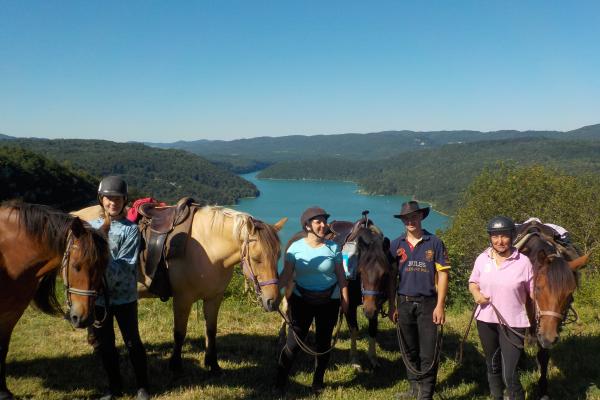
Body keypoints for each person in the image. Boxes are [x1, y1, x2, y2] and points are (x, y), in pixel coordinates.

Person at [276, 206, 349, 394]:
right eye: (318, 222)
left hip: (329, 301)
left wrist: (345, 300)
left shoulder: (334, 248)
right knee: (293, 343)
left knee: (323, 343)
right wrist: (274, 291)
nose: (323, 225)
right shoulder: (295, 248)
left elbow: (341, 277)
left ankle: (318, 381)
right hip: (301, 301)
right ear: (307, 225)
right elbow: (286, 274)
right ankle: (280, 380)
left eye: (324, 221)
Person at [89, 176, 150, 400]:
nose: (112, 202)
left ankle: (142, 385)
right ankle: (114, 387)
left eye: (117, 198)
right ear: (101, 200)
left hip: (124, 296)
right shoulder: (92, 229)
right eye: (108, 198)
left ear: (124, 201)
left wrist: (96, 269)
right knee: (105, 345)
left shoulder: (130, 230)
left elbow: (126, 265)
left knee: (132, 341)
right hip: (98, 299)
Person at [388, 201, 450, 400]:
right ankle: (413, 388)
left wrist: (440, 305)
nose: (410, 221)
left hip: (428, 303)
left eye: (414, 217)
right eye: (406, 218)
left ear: (421, 217)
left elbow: (443, 275)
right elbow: (391, 277)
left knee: (428, 351)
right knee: (409, 349)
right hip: (403, 302)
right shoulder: (396, 244)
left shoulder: (435, 242)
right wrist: (391, 305)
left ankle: (426, 394)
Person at [468, 216, 533, 400]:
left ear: (512, 236)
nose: (500, 241)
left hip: (513, 322)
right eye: (495, 236)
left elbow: (534, 293)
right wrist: (476, 294)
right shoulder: (482, 258)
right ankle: (496, 396)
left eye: (504, 236)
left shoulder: (523, 262)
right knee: (493, 365)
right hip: (485, 320)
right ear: (490, 237)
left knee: (510, 373)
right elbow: (473, 282)